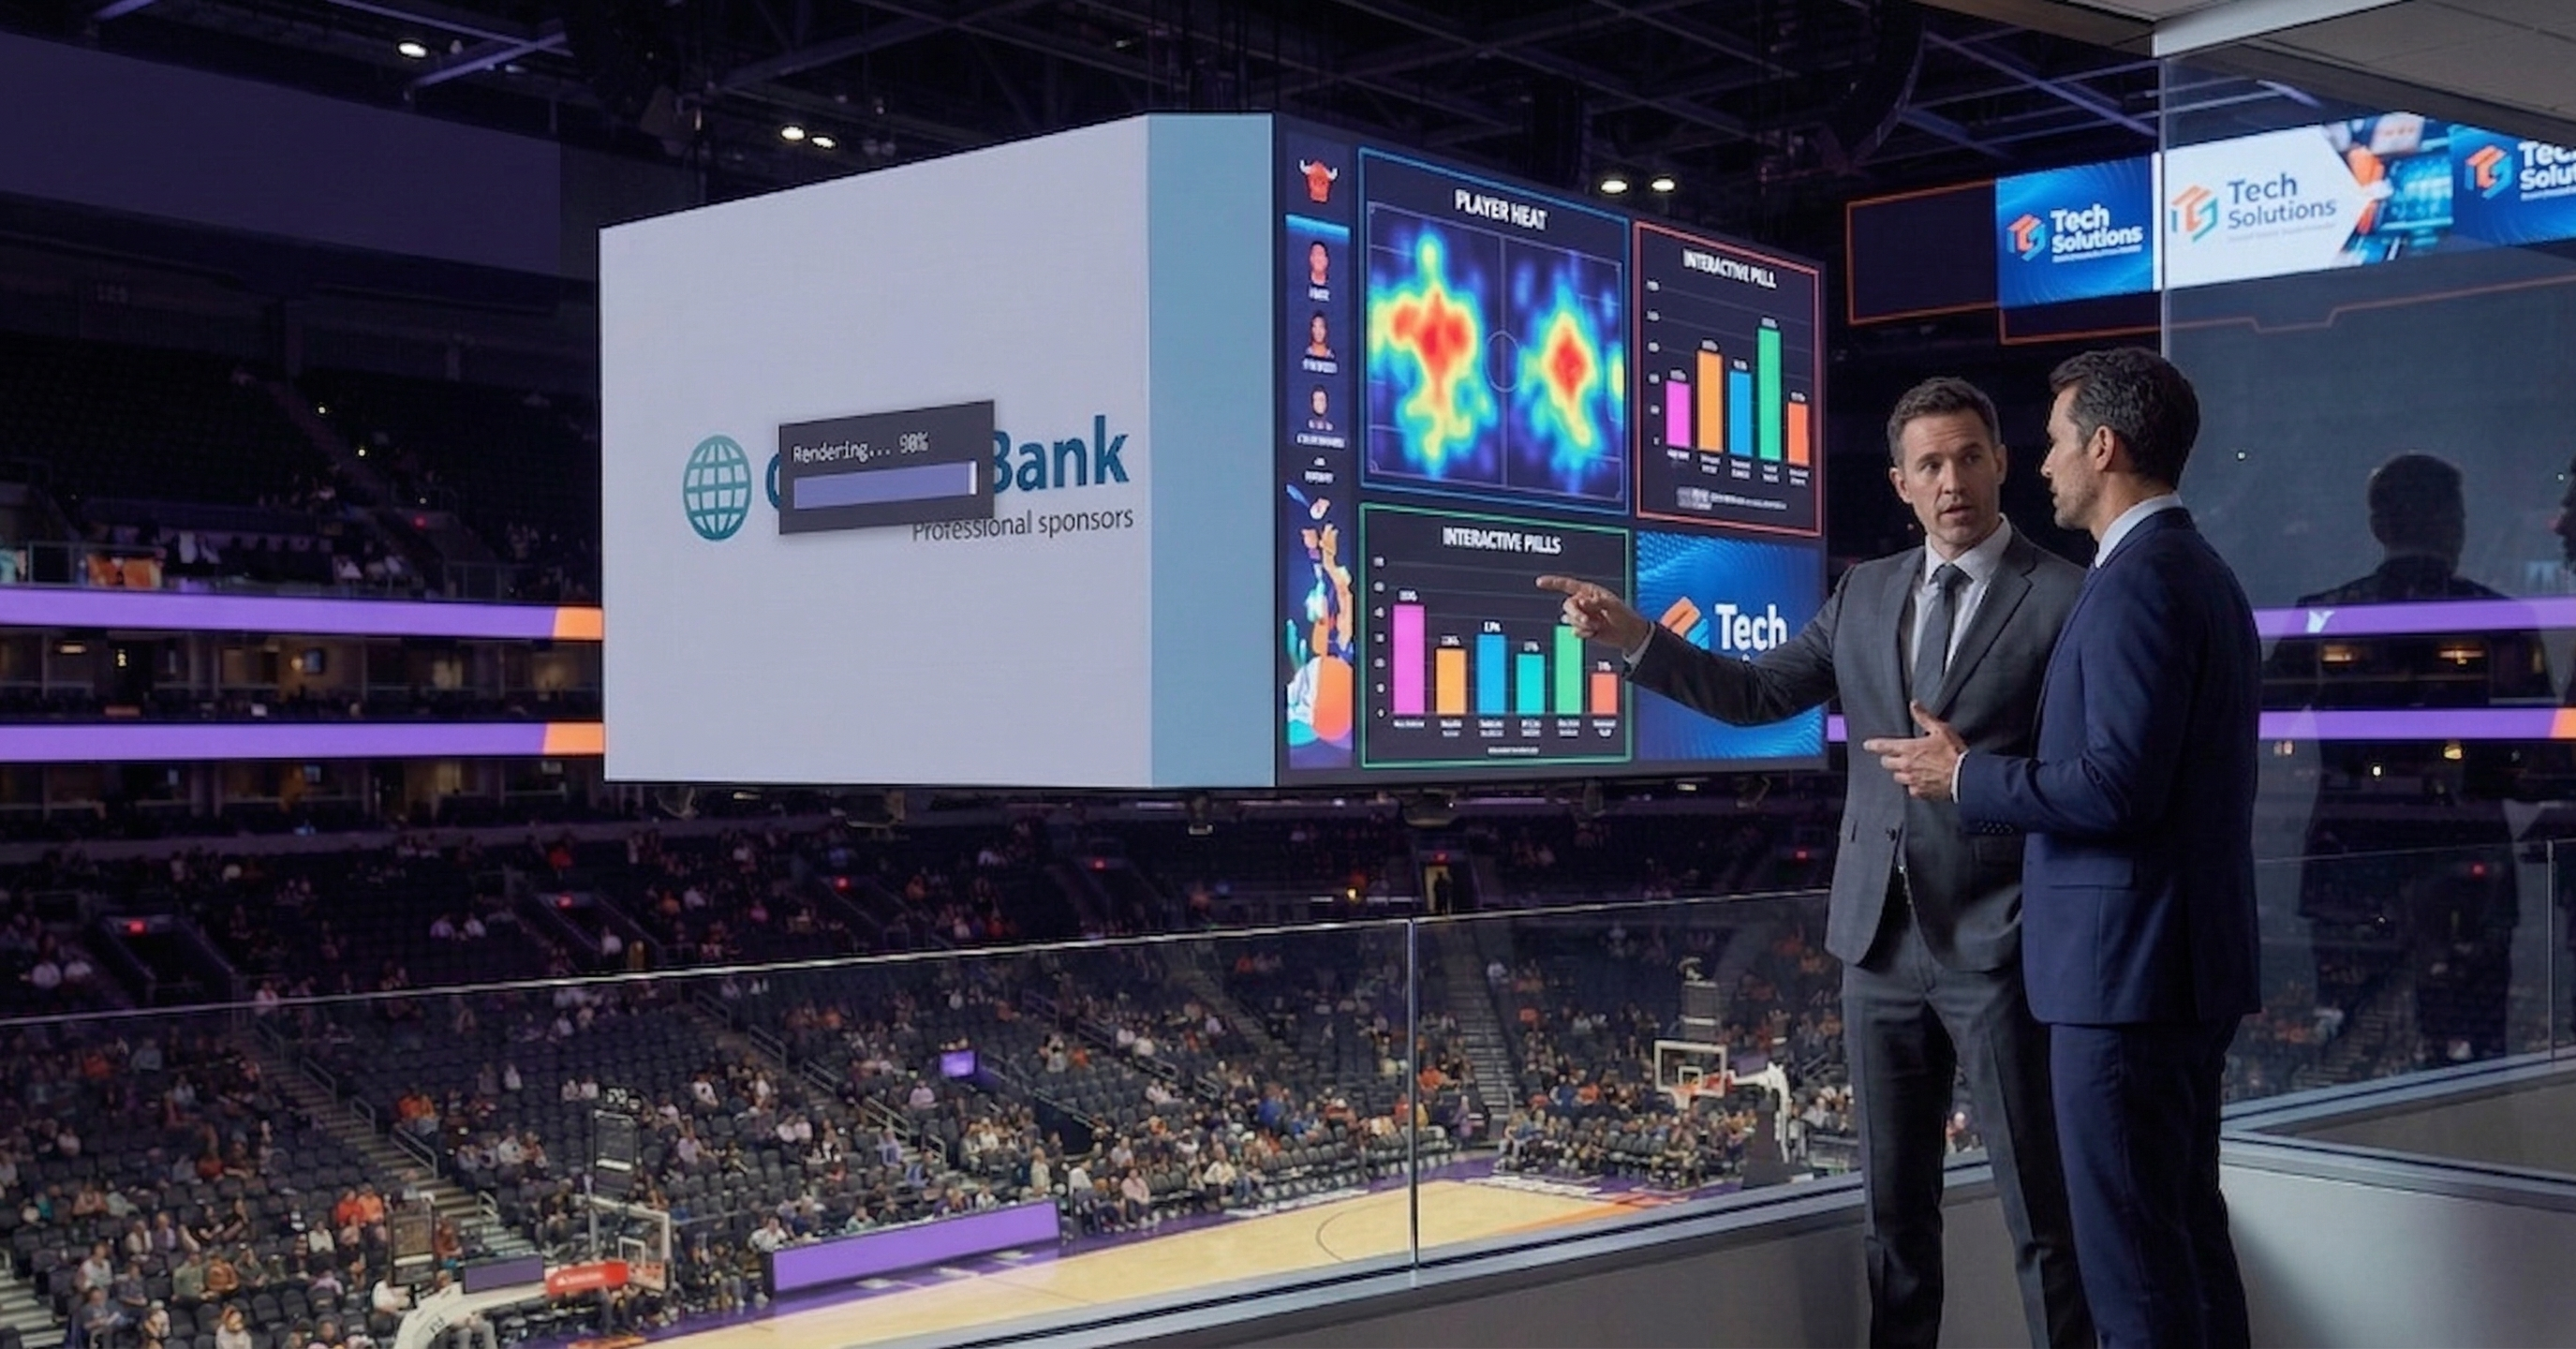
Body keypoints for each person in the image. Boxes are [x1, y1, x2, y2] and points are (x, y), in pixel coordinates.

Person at [1543, 377, 2092, 1348]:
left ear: (2002, 462)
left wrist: (1973, 775)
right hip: (1873, 947)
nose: (1951, 479)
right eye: (1929, 464)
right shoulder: (1864, 590)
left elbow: (2079, 770)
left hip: (1998, 945)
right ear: (1898, 482)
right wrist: (1636, 640)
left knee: (2041, 1216)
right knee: (1891, 1214)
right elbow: (1756, 695)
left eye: (1969, 456)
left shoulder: (2062, 596)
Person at [1868, 348, 2259, 1349]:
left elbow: (2118, 787)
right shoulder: (2196, 570)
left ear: (2103, 444)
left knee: (2132, 1277)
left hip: (2121, 983)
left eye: (2047, 443)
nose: (2040, 466)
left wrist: (1966, 779)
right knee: (2182, 1249)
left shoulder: (2135, 583)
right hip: (2170, 970)